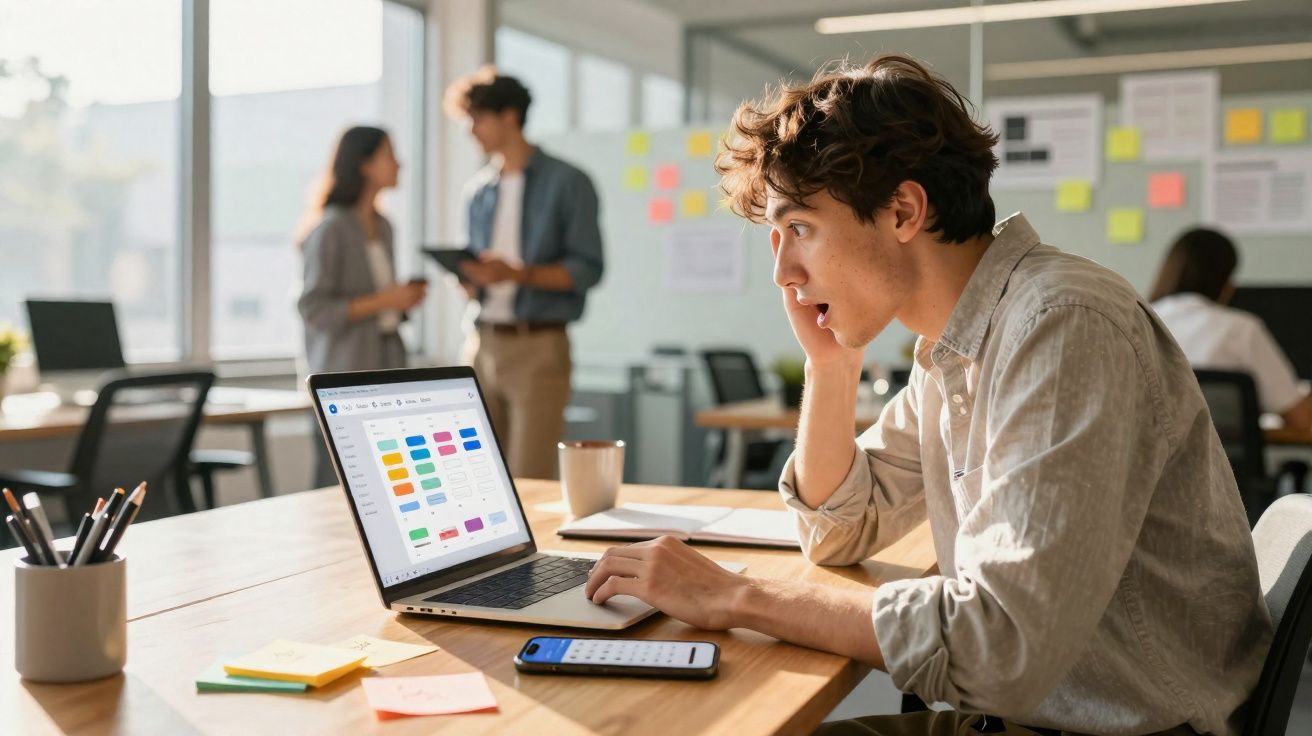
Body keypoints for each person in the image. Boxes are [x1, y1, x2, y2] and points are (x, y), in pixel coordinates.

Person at [584, 55, 1272, 735]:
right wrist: (831, 367)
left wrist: (738, 596)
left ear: (904, 211)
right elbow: (838, 532)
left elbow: (1001, 646)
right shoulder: (956, 345)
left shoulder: (1061, 326)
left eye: (799, 229)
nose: (783, 273)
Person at [443, 68, 604, 480]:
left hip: (539, 346)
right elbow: (476, 274)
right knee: (477, 475)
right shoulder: (478, 191)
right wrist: (468, 278)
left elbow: (587, 269)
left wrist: (516, 274)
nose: (470, 130)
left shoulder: (569, 182)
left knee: (530, 477)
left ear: (509, 116)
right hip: (480, 344)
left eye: (477, 118)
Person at [298, 126, 427, 486]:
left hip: (387, 364)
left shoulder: (384, 227)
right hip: (345, 372)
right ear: (365, 164)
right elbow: (314, 309)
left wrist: (400, 301)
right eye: (389, 155)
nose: (399, 164)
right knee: (340, 481)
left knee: (389, 477)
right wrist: (385, 300)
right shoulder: (330, 228)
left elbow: (378, 303)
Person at [1151, 227, 1312, 431]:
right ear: (1225, 282)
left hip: (1147, 452)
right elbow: (1301, 421)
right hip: (1224, 452)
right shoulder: (1241, 330)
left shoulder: (1137, 321)